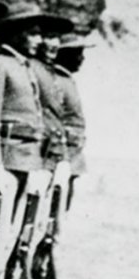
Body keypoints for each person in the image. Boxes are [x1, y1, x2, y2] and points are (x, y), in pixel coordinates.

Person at [0, 3, 73, 279]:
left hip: (28, 159)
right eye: (33, 33)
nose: (39, 40)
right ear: (14, 34)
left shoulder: (26, 67)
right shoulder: (2, 64)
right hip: (9, 157)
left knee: (13, 231)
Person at [50, 33, 91, 208]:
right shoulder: (57, 81)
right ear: (64, 55)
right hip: (62, 155)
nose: (82, 58)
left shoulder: (66, 80)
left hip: (72, 153)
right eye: (77, 53)